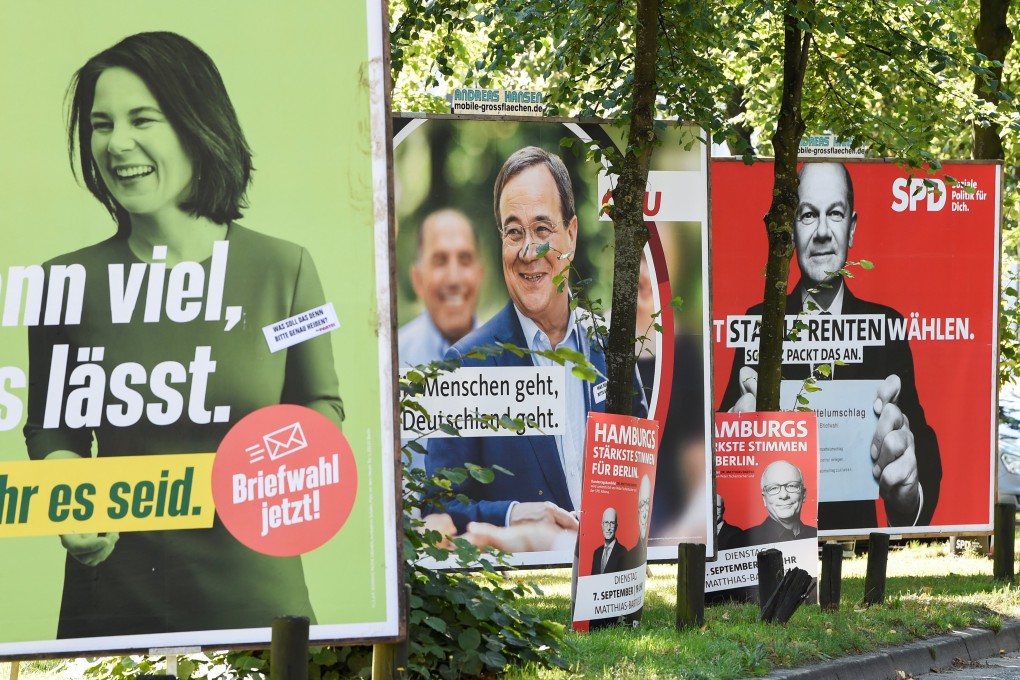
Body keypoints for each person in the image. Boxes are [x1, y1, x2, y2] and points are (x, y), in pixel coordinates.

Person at [24, 32, 343, 638]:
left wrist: (269, 475)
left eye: (142, 119)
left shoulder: (289, 269)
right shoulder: (60, 281)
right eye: (101, 125)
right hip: (112, 605)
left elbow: (321, 404)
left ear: (199, 125)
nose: (117, 145)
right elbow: (50, 426)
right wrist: (67, 499)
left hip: (256, 602)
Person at [426, 146, 646, 534]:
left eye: (543, 229)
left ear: (571, 234)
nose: (528, 251)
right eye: (514, 232)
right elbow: (438, 510)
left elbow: (646, 477)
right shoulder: (465, 365)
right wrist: (512, 515)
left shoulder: (610, 348)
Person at [719, 162, 941, 530]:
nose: (822, 232)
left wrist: (907, 494)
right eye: (807, 215)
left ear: (851, 228)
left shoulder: (886, 328)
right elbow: (722, 463)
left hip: (856, 544)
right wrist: (735, 434)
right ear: (790, 230)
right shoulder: (759, 324)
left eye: (835, 213)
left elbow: (918, 450)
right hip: (777, 539)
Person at [398, 209, 484, 368]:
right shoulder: (392, 359)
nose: (454, 278)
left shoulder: (511, 359)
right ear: (418, 279)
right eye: (440, 261)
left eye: (465, 260)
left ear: (479, 275)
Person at [747, 461, 816, 544]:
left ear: (803, 494)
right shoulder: (741, 542)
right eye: (774, 488)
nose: (784, 495)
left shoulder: (816, 536)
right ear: (764, 499)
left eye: (792, 486)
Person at [591, 507, 630, 575]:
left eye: (612, 523)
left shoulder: (623, 552)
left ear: (616, 526)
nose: (608, 528)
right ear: (602, 525)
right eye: (606, 523)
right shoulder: (597, 553)